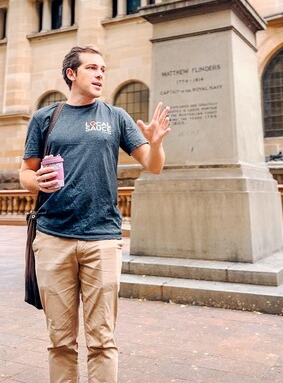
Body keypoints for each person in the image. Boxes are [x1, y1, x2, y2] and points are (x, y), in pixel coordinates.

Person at [19, 44, 171, 383]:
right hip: (52, 238)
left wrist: (156, 143)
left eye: (103, 68)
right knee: (61, 340)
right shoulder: (46, 118)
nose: (100, 74)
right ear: (72, 74)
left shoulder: (115, 117)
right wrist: (36, 181)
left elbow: (153, 166)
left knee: (102, 340)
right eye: (92, 68)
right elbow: (25, 172)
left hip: (102, 239)